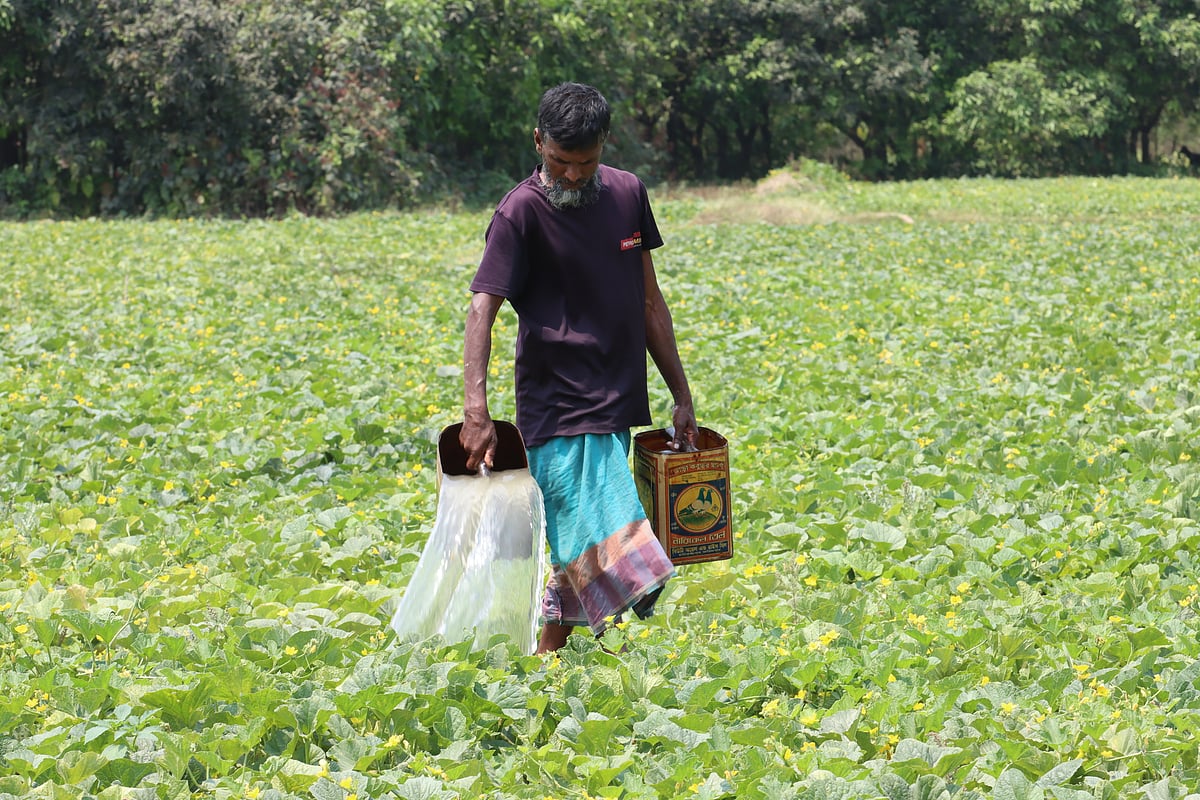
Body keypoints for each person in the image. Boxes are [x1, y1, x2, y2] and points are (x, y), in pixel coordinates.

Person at [459, 82, 698, 654]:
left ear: (604, 145)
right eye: (559, 161)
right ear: (538, 141)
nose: (571, 175)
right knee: (599, 528)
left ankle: (549, 661)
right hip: (555, 401)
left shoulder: (628, 194)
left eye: (585, 163)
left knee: (577, 542)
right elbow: (482, 310)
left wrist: (682, 394)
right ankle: (627, 631)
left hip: (617, 393)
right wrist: (476, 411)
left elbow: (650, 302)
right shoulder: (519, 212)